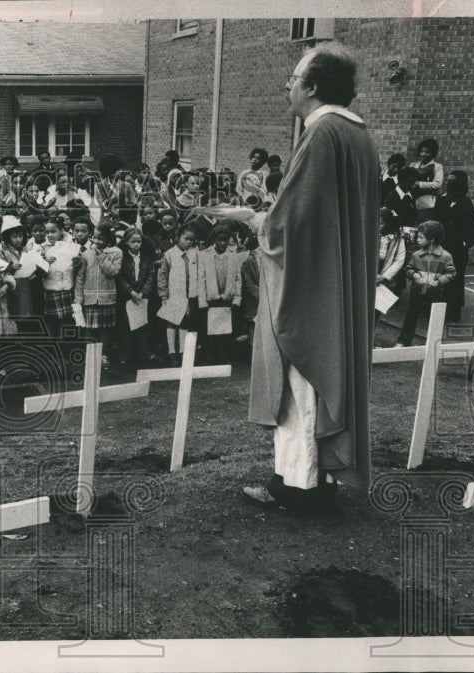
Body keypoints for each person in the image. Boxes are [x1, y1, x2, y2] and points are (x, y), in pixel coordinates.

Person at [245, 43, 378, 508]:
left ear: (314, 86)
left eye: (295, 76)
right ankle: (316, 480)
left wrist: (253, 220)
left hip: (312, 287)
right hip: (333, 276)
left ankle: (297, 487)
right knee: (314, 385)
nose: (288, 84)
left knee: (300, 378)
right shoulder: (357, 134)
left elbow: (290, 225)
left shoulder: (322, 133)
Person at [433, 170, 474, 323]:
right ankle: (435, 311)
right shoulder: (442, 199)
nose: (449, 184)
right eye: (448, 181)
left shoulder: (465, 203)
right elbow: (435, 220)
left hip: (457, 250)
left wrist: (465, 243)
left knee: (454, 281)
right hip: (442, 247)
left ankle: (453, 314)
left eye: (453, 182)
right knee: (438, 279)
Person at [396, 221, 456, 347]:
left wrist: (438, 281)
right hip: (417, 290)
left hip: (435, 292)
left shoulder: (445, 256)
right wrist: (414, 275)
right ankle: (403, 341)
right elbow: (408, 269)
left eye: (421, 237)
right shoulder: (416, 255)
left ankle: (434, 344)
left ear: (432, 239)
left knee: (435, 319)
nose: (417, 240)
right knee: (411, 317)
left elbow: (451, 273)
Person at [74, 221, 123, 369]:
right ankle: (90, 358)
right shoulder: (86, 253)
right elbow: (80, 276)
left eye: (100, 239)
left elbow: (112, 271)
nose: (96, 241)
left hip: (106, 299)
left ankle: (103, 356)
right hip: (89, 297)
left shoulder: (116, 252)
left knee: (104, 330)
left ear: (109, 239)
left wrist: (101, 256)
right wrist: (78, 298)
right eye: (94, 238)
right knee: (88, 329)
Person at [197, 227, 242, 364]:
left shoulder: (233, 256)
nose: (223, 244)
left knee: (225, 327)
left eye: (225, 241)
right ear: (214, 240)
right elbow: (201, 279)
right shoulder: (205, 255)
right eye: (220, 240)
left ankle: (223, 353)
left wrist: (237, 298)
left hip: (226, 297)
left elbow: (238, 279)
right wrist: (202, 301)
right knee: (210, 327)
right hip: (211, 298)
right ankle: (209, 353)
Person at [156, 225, 199, 365]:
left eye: (191, 240)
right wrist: (163, 294)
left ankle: (182, 351)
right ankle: (171, 352)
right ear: (177, 238)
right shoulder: (169, 254)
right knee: (172, 322)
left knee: (184, 322)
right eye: (186, 238)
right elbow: (162, 275)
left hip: (189, 295)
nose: (189, 242)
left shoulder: (194, 254)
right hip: (174, 294)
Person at [115, 227, 154, 366]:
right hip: (127, 297)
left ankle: (143, 353)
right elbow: (119, 277)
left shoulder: (146, 259)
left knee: (142, 325)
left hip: (142, 296)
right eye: (133, 242)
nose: (136, 244)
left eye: (139, 241)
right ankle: (124, 354)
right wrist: (131, 292)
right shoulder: (123, 259)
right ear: (126, 242)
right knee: (126, 326)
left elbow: (150, 276)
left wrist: (143, 292)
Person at [409, 138, 444, 223]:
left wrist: (419, 184)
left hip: (426, 204)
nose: (423, 154)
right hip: (411, 201)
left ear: (433, 153)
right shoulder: (413, 165)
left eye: (427, 152)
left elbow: (437, 184)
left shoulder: (437, 166)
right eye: (422, 151)